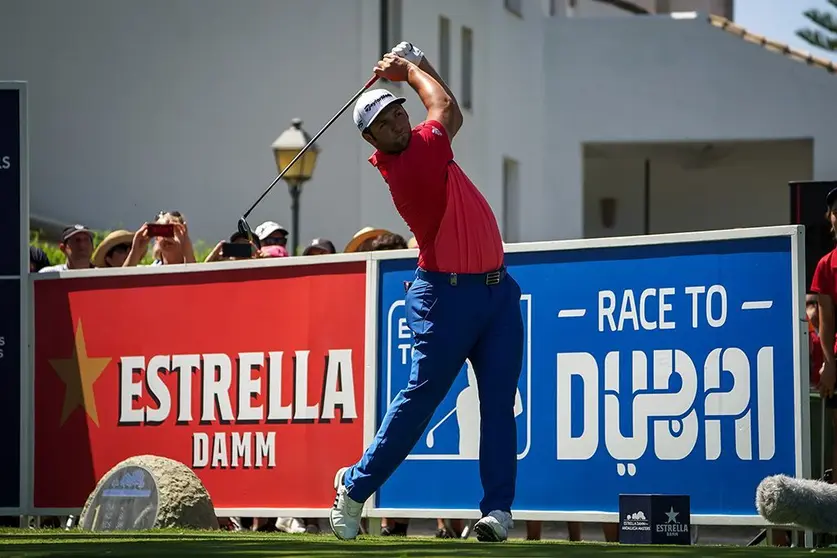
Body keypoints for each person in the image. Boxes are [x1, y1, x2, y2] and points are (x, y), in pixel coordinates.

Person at [329, 42, 524, 543]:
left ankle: (497, 511)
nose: (397, 122)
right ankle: (354, 489)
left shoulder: (426, 143)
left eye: (398, 112)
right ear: (372, 138)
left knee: (498, 404)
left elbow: (448, 110)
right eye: (385, 122)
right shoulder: (410, 165)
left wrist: (419, 65)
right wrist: (409, 69)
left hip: (496, 294)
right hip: (446, 297)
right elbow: (439, 106)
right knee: (419, 402)